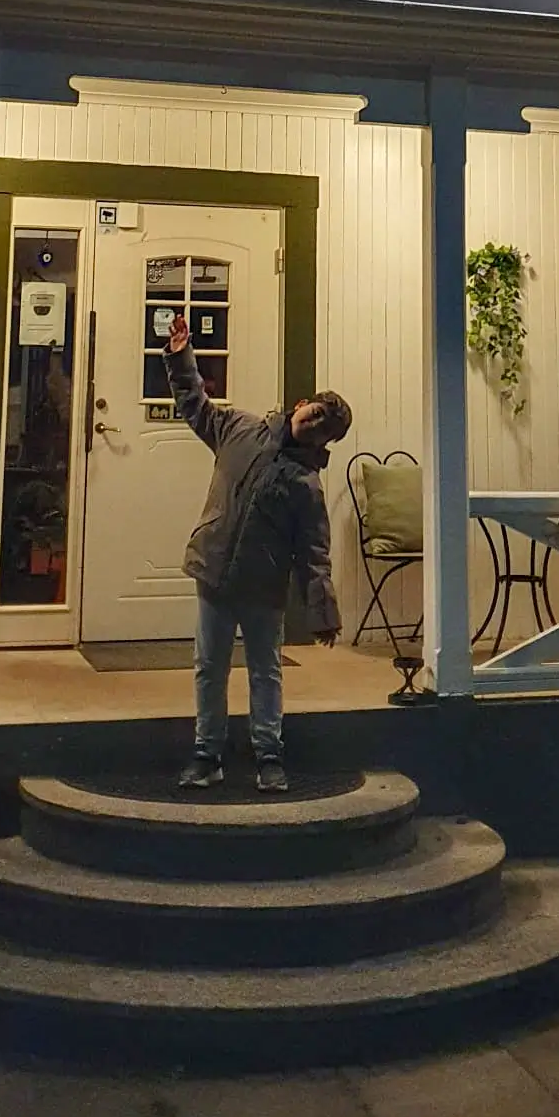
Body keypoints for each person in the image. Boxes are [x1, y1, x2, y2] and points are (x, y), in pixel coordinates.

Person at [164, 312, 351, 793]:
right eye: (315, 412)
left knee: (265, 672)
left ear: (326, 440)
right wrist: (181, 355)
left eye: (324, 426)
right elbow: (195, 406)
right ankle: (208, 754)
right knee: (209, 668)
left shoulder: (306, 486)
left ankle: (269, 754)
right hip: (213, 570)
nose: (314, 422)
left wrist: (322, 610)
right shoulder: (239, 428)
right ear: (300, 405)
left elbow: (314, 553)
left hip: (264, 588)